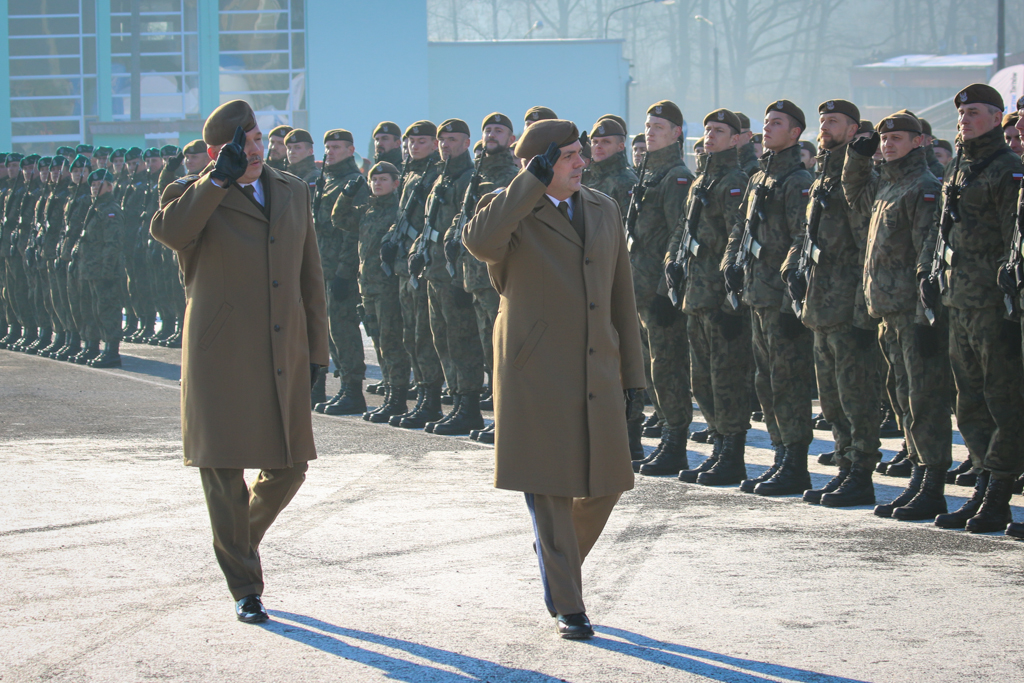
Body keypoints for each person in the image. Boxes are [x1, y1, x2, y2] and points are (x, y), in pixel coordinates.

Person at [463, 119, 644, 640]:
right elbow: (479, 242)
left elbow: (621, 296)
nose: (581, 163)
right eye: (567, 156)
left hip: (597, 366)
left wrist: (633, 375)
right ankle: (569, 604)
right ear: (539, 163)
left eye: (579, 153)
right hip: (535, 372)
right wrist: (528, 184)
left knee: (608, 482)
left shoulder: (604, 207)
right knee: (551, 489)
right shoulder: (509, 208)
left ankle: (554, 552)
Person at [150, 99, 329, 623]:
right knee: (224, 471)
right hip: (220, 356)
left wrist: (317, 351)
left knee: (290, 467)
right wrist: (216, 182)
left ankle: (237, 542)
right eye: (242, 144)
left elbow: (309, 276)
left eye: (256, 141)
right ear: (216, 151)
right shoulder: (189, 193)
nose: (254, 151)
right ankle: (246, 587)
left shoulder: (293, 191)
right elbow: (170, 233)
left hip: (282, 349)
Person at [842, 111, 949, 521]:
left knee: (923, 399)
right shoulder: (888, 184)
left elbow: (927, 254)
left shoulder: (922, 186)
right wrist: (857, 156)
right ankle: (919, 477)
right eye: (884, 139)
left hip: (911, 311)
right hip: (887, 311)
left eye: (897, 139)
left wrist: (926, 316)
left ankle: (932, 483)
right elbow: (853, 191)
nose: (887, 145)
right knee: (903, 397)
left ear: (919, 142)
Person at [927, 84, 1024, 533]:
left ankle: (999, 493)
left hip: (992, 305)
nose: (965, 119)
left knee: (1003, 401)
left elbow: (1014, 240)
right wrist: (931, 275)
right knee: (969, 403)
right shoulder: (960, 169)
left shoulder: (1008, 170)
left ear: (997, 117)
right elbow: (943, 233)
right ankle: (983, 483)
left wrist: (1008, 292)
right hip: (958, 300)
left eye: (976, 113)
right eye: (962, 112)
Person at [786, 99, 881, 507]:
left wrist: (863, 307)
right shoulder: (823, 174)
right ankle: (844, 466)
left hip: (847, 303)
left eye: (835, 121)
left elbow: (867, 244)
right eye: (823, 120)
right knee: (832, 398)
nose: (825, 126)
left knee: (856, 393)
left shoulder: (860, 175)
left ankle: (861, 472)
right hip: (821, 302)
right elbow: (807, 234)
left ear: (855, 129)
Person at [723, 100, 815, 496]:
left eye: (776, 123)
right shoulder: (760, 177)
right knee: (766, 381)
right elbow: (740, 229)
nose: (767, 128)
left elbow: (803, 235)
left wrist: (792, 283)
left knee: (788, 381)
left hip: (780, 298)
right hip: (757, 294)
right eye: (765, 122)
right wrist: (731, 263)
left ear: (795, 133)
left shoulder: (797, 180)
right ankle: (780, 455)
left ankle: (795, 463)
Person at [665, 108, 751, 486]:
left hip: (719, 297)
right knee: (703, 379)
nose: (710, 136)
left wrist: (728, 288)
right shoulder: (702, 181)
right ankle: (718, 446)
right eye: (707, 130)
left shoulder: (735, 180)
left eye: (719, 131)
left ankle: (732, 454)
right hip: (695, 295)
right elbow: (683, 230)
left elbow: (738, 234)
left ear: (735, 139)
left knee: (726, 378)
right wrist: (673, 262)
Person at [629, 100, 695, 478]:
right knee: (650, 369)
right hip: (637, 292)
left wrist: (664, 290)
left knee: (668, 369)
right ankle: (665, 439)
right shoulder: (647, 174)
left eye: (659, 127)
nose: (651, 131)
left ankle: (675, 444)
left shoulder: (675, 176)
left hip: (657, 295)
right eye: (648, 125)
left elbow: (677, 235)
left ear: (676, 134)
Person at [408, 118, 483, 435]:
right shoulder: (439, 178)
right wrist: (415, 252)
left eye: (453, 140)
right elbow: (429, 226)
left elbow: (466, 229)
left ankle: (469, 408)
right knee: (439, 341)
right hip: (433, 274)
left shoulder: (470, 178)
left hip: (455, 277)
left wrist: (461, 279)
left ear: (467, 143)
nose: (445, 145)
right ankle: (447, 402)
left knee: (462, 342)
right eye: (442, 140)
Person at [312, 129, 368, 415]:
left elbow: (351, 232)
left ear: (350, 150)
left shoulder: (354, 182)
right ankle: (343, 387)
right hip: (322, 267)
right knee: (330, 332)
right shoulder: (327, 181)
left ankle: (353, 389)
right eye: (328, 147)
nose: (331, 152)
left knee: (344, 330)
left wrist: (345, 273)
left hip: (339, 270)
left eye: (337, 147)